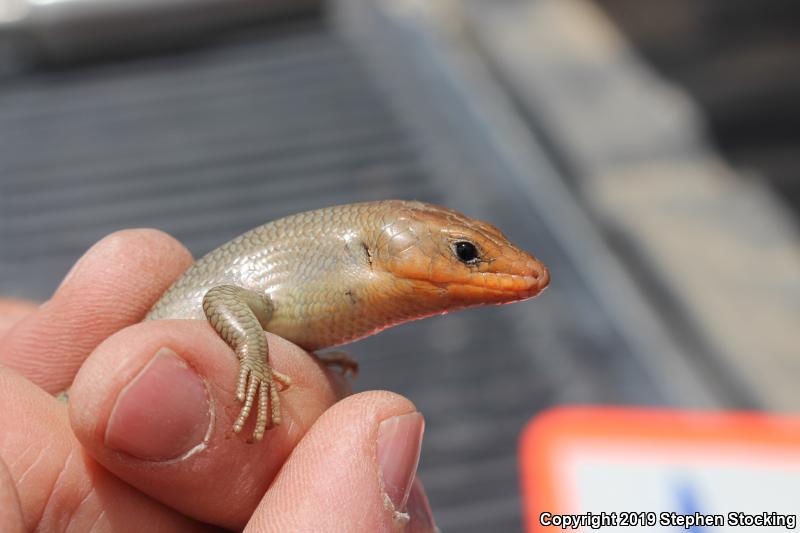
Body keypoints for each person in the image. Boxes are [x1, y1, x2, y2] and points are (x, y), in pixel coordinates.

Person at [0, 229, 437, 532]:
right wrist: (252, 354)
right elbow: (222, 298)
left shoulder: (302, 295)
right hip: (60, 405)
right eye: (465, 253)